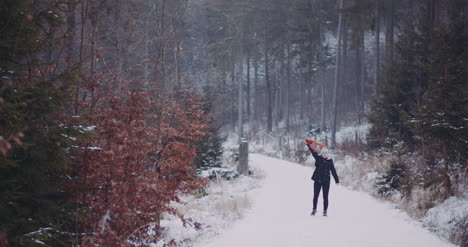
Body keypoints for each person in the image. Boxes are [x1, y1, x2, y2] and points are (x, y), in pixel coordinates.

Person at [305, 138, 339, 216]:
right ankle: (314, 209)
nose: (325, 154)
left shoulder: (330, 161)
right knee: (315, 195)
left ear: (328, 154)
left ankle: (325, 211)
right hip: (317, 180)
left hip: (326, 181)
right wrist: (309, 145)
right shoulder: (318, 158)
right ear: (321, 153)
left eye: (326, 153)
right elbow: (313, 152)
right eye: (323, 153)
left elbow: (333, 171)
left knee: (325, 196)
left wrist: (337, 180)